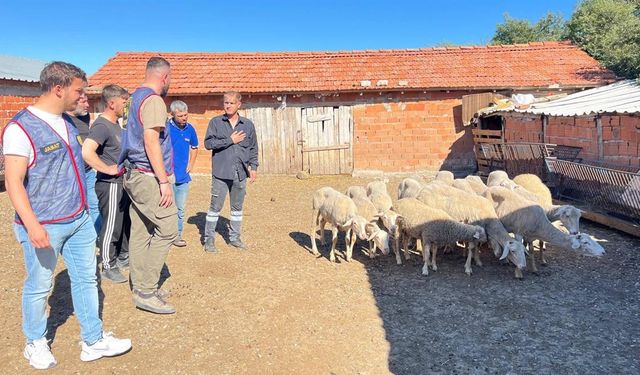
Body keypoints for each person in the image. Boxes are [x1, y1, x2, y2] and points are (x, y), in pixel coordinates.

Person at [2, 61, 131, 370]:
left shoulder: (70, 123)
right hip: (44, 225)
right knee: (39, 285)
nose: (83, 96)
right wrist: (32, 225)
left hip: (78, 220)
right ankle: (35, 342)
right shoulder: (21, 128)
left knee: (87, 278)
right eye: (79, 90)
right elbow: (13, 182)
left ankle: (93, 340)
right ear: (58, 89)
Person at [118, 57, 177, 314]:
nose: (169, 83)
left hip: (134, 173)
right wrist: (163, 180)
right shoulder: (153, 101)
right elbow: (151, 141)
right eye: (170, 78)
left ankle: (140, 284)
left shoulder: (135, 97)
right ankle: (147, 290)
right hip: (148, 176)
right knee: (167, 228)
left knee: (142, 230)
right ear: (164, 77)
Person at [82, 84, 131, 284]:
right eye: (123, 102)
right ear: (112, 103)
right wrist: (107, 169)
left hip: (122, 182)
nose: (125, 106)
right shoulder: (102, 125)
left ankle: (122, 257)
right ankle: (108, 265)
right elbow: (87, 151)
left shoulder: (116, 124)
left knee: (123, 222)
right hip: (109, 183)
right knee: (111, 224)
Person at [203, 91, 258, 253]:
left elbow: (253, 148)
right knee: (215, 208)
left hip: (240, 173)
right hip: (221, 173)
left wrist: (254, 167)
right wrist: (230, 140)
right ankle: (209, 240)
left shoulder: (247, 125)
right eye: (226, 102)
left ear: (239, 105)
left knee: (237, 208)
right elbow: (208, 143)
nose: (228, 105)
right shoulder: (216, 122)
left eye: (231, 103)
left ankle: (234, 238)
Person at [67, 93, 101, 233]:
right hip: (71, 175)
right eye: (84, 102)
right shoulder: (63, 120)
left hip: (87, 171)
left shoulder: (85, 117)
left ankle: (98, 235)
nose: (88, 105)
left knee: (95, 204)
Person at [167, 100, 199, 247]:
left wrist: (191, 164)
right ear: (172, 115)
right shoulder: (166, 129)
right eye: (180, 116)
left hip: (183, 177)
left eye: (186, 115)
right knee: (166, 209)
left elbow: (194, 147)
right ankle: (164, 236)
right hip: (167, 176)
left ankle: (177, 236)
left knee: (180, 208)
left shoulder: (190, 129)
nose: (184, 118)